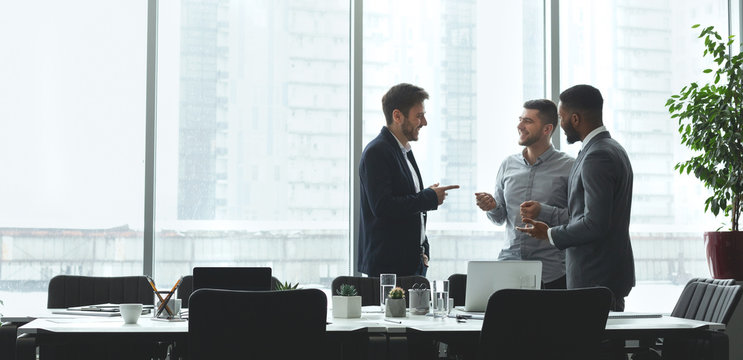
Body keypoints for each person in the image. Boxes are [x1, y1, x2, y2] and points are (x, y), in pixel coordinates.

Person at [517, 85, 635, 311]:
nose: (560, 125)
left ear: (576, 119)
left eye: (561, 118)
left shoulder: (597, 155)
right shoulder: (610, 149)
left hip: (595, 278)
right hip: (602, 276)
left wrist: (549, 233)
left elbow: (595, 223)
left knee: (590, 347)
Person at [358, 83, 459, 277]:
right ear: (397, 116)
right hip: (388, 270)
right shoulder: (377, 152)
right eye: (419, 116)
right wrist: (428, 197)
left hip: (411, 265)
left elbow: (404, 201)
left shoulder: (403, 152)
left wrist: (423, 248)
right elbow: (382, 206)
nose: (424, 122)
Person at [475, 99, 573, 289]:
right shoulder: (507, 165)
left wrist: (542, 211)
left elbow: (578, 219)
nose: (519, 125)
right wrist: (492, 206)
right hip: (508, 269)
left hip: (552, 274)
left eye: (527, 121)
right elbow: (500, 218)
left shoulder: (569, 167)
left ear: (547, 129)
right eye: (520, 119)